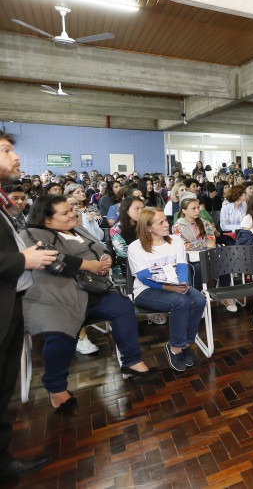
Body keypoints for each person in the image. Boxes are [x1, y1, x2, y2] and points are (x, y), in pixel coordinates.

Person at [21, 196, 160, 410]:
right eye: (65, 212)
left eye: (72, 209)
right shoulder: (32, 235)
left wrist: (106, 258)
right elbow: (55, 261)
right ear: (47, 220)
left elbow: (100, 246)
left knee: (123, 307)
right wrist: (91, 265)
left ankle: (131, 362)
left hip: (92, 289)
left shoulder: (77, 229)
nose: (72, 214)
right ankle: (56, 388)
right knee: (60, 330)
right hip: (55, 294)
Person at [0, 135, 58, 481]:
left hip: (11, 304)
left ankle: (3, 462)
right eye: (6, 150)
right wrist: (22, 258)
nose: (17, 156)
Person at [128, 208, 207, 372]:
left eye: (166, 220)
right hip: (146, 290)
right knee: (181, 301)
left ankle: (186, 343)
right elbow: (144, 278)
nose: (167, 224)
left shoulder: (175, 240)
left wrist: (183, 283)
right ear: (148, 228)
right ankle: (175, 347)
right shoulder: (136, 247)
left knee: (199, 299)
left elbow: (182, 266)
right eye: (161, 222)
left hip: (175, 285)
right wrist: (171, 288)